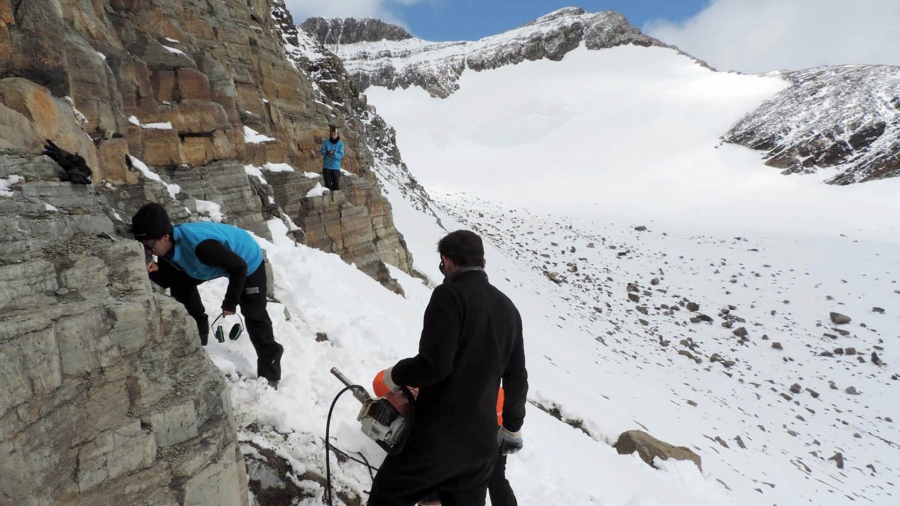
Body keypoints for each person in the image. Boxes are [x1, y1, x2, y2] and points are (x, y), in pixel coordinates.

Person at [369, 230, 528, 506]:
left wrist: (396, 375)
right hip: (482, 446)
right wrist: (512, 428)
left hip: (439, 436)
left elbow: (435, 366)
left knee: (387, 497)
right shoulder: (508, 309)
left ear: (447, 261)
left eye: (442, 264)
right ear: (483, 262)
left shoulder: (449, 295)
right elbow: (516, 378)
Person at [130, 202, 284, 387]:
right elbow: (170, 281)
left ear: (164, 237)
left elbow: (239, 267)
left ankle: (270, 373)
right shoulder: (167, 249)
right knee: (180, 286)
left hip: (246, 260)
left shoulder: (202, 247)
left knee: (254, 314)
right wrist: (154, 272)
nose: (148, 252)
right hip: (204, 265)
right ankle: (199, 336)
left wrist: (230, 303)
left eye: (148, 246)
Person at [321, 125, 344, 191]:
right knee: (327, 186)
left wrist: (335, 154)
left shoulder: (340, 144)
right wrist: (327, 152)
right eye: (332, 134)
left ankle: (335, 197)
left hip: (335, 168)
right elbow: (322, 151)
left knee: (336, 186)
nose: (333, 136)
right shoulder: (326, 142)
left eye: (334, 134)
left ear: (337, 134)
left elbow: (341, 155)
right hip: (327, 167)